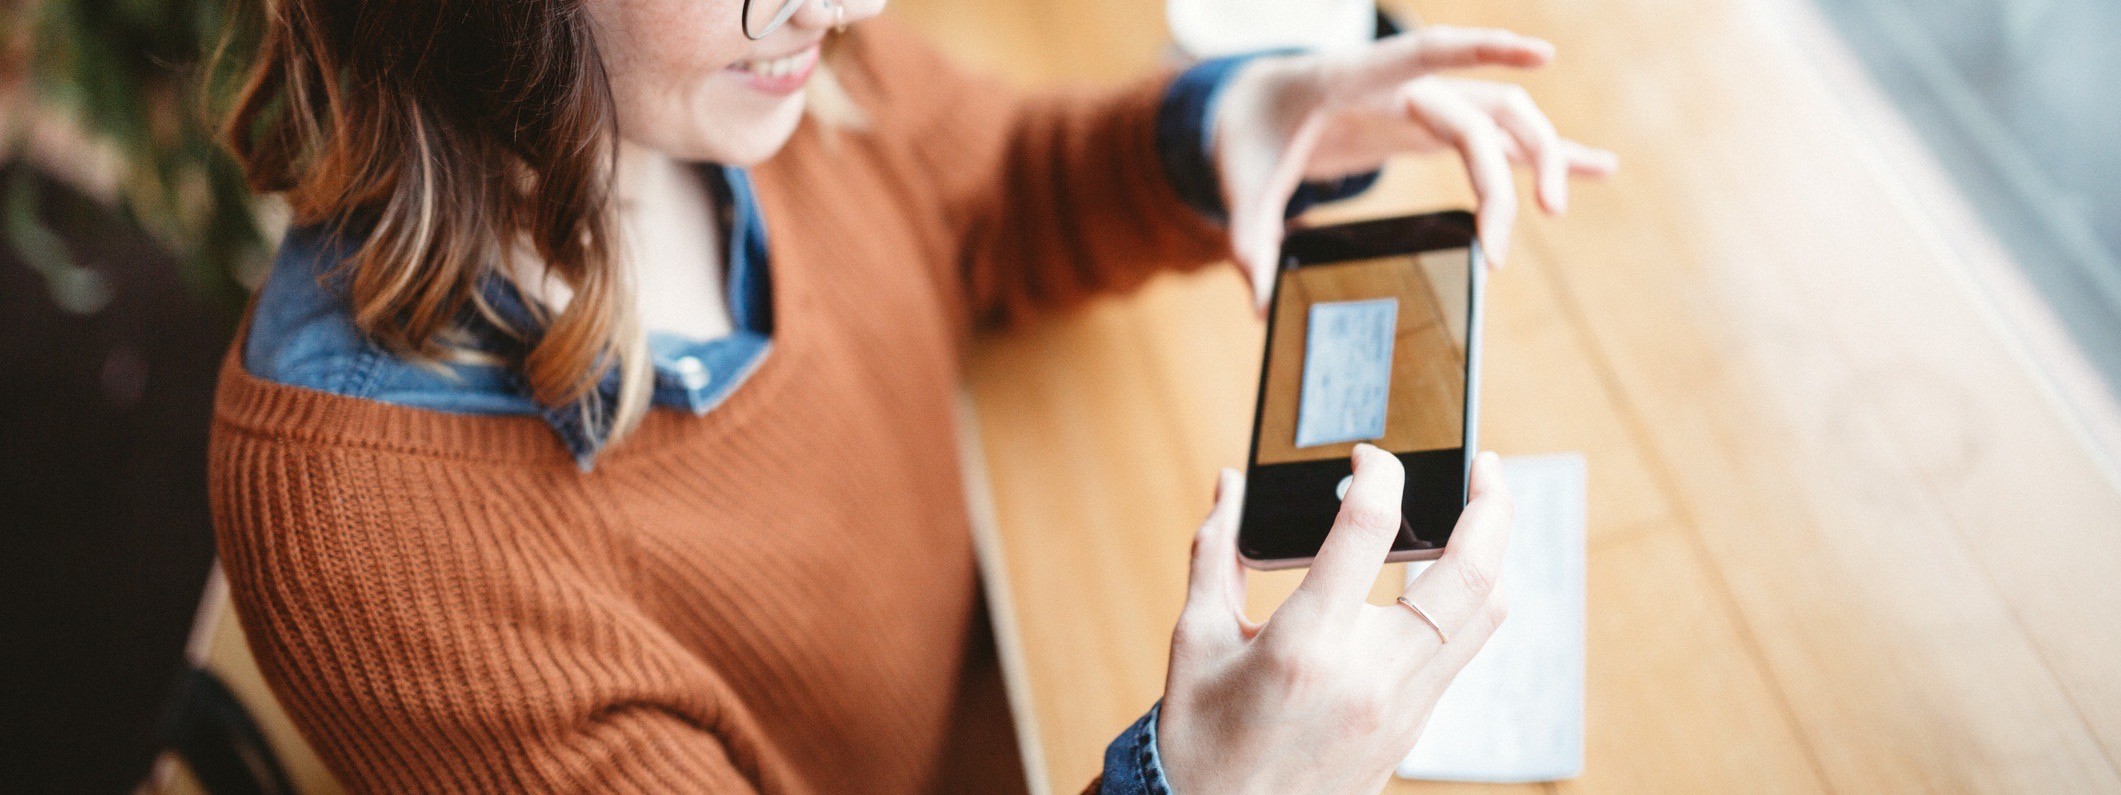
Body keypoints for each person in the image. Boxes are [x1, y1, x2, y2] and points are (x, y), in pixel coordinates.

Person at [208, 0, 1615, 791]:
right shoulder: (372, 539)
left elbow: (984, 186)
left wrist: (1228, 127)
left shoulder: (740, 65)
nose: (857, 3)